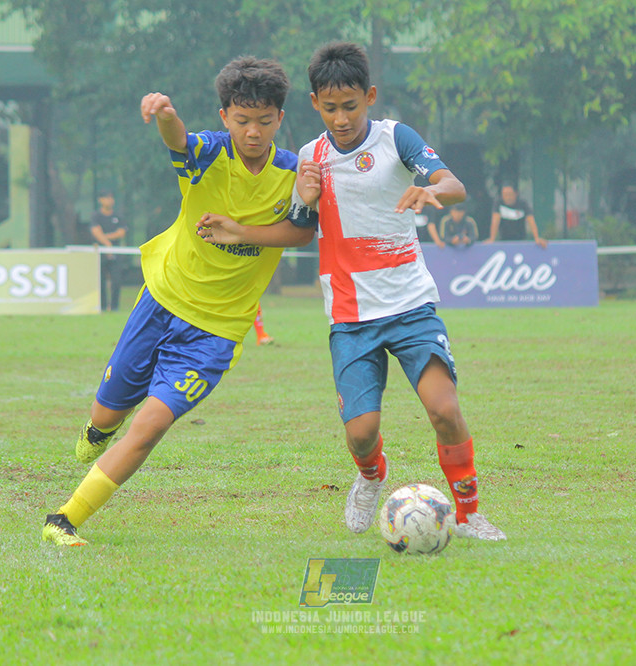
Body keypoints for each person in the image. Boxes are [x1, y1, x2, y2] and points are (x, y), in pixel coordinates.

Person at [198, 42, 506, 541]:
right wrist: (297, 201)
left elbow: (453, 183)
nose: (341, 118)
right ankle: (370, 477)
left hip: (410, 305)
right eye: (330, 107)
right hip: (350, 314)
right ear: (315, 104)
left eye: (351, 106)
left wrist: (432, 190)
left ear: (370, 97)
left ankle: (470, 514)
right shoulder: (310, 157)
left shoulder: (395, 139)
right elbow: (299, 227)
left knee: (444, 410)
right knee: (360, 433)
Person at [41, 56, 297, 546]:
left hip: (216, 332)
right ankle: (98, 431)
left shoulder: (293, 174)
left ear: (280, 120)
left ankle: (63, 518)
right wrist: (163, 114)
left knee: (152, 422)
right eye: (242, 121)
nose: (253, 132)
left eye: (265, 121)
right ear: (225, 117)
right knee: (106, 416)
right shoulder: (209, 154)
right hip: (162, 299)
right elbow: (178, 138)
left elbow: (302, 232)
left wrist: (242, 230)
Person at [90, 190, 128, 312]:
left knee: (116, 281)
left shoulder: (118, 216)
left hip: (116, 253)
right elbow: (96, 231)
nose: (109, 200)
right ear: (100, 200)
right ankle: (101, 307)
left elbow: (121, 232)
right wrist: (107, 244)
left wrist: (107, 238)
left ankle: (114, 307)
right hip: (100, 253)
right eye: (106, 198)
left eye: (111, 198)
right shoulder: (96, 216)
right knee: (100, 281)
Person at [486, 182, 548, 248]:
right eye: (505, 195)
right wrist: (492, 239)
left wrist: (536, 238)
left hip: (521, 241)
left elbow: (531, 220)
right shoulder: (498, 204)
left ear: (516, 194)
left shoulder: (523, 204)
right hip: (504, 241)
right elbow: (495, 221)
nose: (508, 197)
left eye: (510, 194)